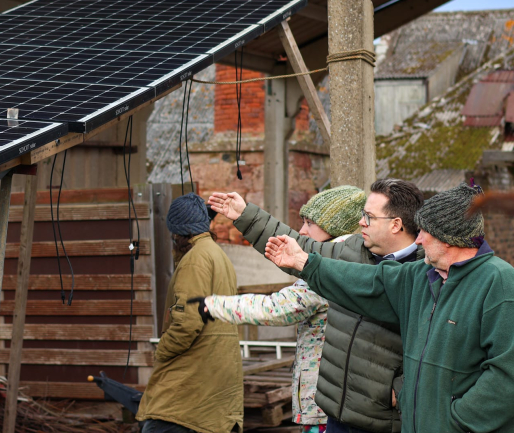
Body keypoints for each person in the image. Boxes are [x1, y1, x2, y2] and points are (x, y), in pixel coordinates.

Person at [263, 182, 514, 432]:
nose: (418, 240)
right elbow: (360, 281)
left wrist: (457, 421)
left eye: (425, 232)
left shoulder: (498, 282)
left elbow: (506, 375)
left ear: (448, 238)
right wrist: (304, 262)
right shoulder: (422, 276)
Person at [208, 179, 425, 433]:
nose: (361, 222)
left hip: (381, 422)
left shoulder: (425, 273)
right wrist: (246, 215)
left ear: (396, 225)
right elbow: (303, 250)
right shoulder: (352, 250)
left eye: (368, 216)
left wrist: (402, 388)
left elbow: (440, 344)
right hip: (335, 414)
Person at [189, 186, 367, 433]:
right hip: (333, 400)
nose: (302, 231)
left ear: (335, 227)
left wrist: (214, 306)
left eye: (310, 223)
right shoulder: (349, 260)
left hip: (325, 407)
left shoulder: (331, 269)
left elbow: (278, 308)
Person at [136, 193, 243, 433]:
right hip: (214, 373)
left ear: (178, 231)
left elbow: (187, 324)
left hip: (193, 378)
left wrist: (162, 352)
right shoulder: (218, 255)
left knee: (159, 424)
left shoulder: (195, 260)